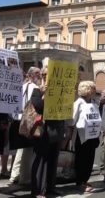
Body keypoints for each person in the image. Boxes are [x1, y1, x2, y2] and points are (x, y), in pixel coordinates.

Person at [31, 67, 65, 198]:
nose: (46, 76)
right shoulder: (37, 90)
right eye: (44, 74)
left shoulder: (60, 90)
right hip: (43, 129)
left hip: (57, 128)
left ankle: (50, 187)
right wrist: (44, 94)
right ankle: (38, 190)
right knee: (41, 160)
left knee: (53, 159)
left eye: (49, 74)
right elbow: (37, 107)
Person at [9, 67, 42, 185]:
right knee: (28, 149)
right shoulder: (35, 88)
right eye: (38, 74)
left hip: (18, 120)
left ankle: (14, 175)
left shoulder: (22, 86)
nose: (40, 76)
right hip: (28, 121)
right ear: (32, 75)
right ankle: (24, 178)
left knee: (21, 149)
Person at [72, 81, 100, 193]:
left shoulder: (93, 102)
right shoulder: (78, 103)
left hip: (92, 135)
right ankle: (80, 182)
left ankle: (85, 179)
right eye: (92, 88)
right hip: (81, 136)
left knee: (90, 159)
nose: (94, 90)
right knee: (81, 159)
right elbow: (72, 120)